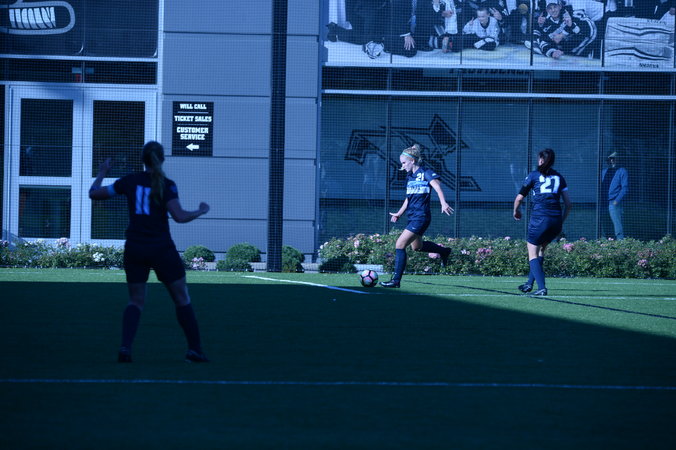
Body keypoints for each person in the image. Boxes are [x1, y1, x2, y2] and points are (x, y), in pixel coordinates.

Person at [89, 141, 210, 363]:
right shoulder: (167, 185)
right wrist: (200, 211)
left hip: (135, 247)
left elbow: (94, 194)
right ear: (162, 159)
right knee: (181, 298)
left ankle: (125, 348)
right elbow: (180, 216)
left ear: (142, 160)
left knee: (135, 301)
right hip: (161, 248)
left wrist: (102, 172)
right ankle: (194, 350)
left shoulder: (129, 181)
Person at [381, 144, 454, 288]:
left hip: (421, 216)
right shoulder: (410, 176)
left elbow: (437, 186)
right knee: (417, 247)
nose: (402, 166)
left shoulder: (425, 172)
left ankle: (395, 281)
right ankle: (444, 251)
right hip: (412, 216)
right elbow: (408, 198)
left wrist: (443, 203)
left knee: (399, 244)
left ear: (412, 161)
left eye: (404, 163)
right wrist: (399, 213)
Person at [513, 148, 572, 296]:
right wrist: (561, 221)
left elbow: (519, 198)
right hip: (555, 220)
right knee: (540, 251)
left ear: (541, 160)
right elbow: (568, 204)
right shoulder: (559, 177)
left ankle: (541, 288)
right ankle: (529, 284)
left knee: (532, 252)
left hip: (540, 219)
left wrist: (516, 211)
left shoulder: (533, 175)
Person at [600, 151, 629, 240]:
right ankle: (606, 243)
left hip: (613, 203)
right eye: (610, 158)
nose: (612, 160)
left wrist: (616, 201)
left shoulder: (622, 171)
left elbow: (625, 188)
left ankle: (620, 243)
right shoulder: (604, 172)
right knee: (604, 225)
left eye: (614, 158)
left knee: (617, 226)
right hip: (604, 203)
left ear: (618, 159)